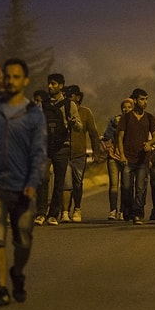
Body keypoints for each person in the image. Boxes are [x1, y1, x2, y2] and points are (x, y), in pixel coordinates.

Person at [0, 58, 47, 307]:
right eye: (7, 76)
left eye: (16, 77)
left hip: (23, 186)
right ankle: (1, 288)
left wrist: (33, 181)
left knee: (23, 239)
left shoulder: (33, 114)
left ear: (25, 81)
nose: (10, 81)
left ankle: (17, 272)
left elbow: (39, 151)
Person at [36, 73, 81, 226]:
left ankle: (53, 214)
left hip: (62, 147)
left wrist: (73, 122)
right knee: (42, 178)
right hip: (45, 147)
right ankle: (40, 213)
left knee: (59, 182)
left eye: (54, 84)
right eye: (49, 83)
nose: (50, 86)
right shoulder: (42, 105)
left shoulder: (70, 105)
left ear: (61, 86)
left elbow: (79, 127)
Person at [116, 88, 155, 225]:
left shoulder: (150, 118)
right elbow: (120, 137)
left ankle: (138, 213)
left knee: (141, 188)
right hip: (128, 158)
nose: (145, 102)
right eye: (142, 99)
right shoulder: (126, 118)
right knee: (126, 187)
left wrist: (149, 144)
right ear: (135, 100)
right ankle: (127, 209)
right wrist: (121, 155)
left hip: (143, 160)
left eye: (146, 99)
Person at [64, 85, 99, 223]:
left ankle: (77, 208)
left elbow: (93, 134)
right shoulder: (61, 111)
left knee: (77, 184)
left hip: (79, 154)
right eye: (66, 96)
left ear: (78, 97)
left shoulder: (85, 113)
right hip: (64, 153)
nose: (68, 99)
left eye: (70, 96)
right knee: (65, 184)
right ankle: (64, 211)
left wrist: (96, 152)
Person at [101, 98, 133, 220]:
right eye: (124, 107)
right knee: (114, 185)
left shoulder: (136, 121)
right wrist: (116, 125)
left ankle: (123, 210)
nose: (126, 109)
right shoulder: (114, 120)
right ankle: (113, 210)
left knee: (126, 186)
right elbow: (107, 136)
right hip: (114, 155)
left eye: (129, 107)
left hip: (127, 156)